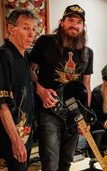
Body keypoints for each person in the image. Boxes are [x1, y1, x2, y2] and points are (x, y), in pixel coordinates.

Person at [29, 4, 93, 171]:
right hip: (50, 112)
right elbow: (29, 69)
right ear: (62, 22)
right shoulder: (45, 42)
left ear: (83, 26)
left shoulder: (87, 52)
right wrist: (39, 89)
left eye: (79, 21)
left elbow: (86, 85)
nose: (74, 24)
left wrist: (83, 117)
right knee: (50, 164)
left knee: (66, 162)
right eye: (70, 19)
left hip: (73, 114)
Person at [0, 8, 37, 170]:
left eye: (33, 29)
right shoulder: (3, 56)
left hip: (25, 133)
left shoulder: (23, 56)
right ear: (12, 29)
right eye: (26, 28)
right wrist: (16, 141)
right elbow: (2, 104)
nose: (31, 34)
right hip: (12, 138)